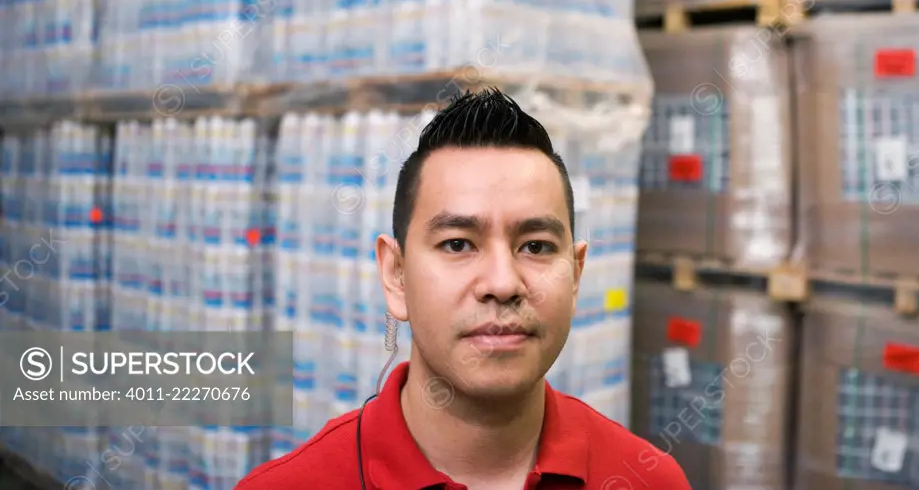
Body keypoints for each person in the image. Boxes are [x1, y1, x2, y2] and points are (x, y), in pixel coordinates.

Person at [236, 89, 690, 489]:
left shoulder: (649, 479)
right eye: (458, 244)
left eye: (535, 245)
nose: (502, 283)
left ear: (575, 274)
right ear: (396, 274)